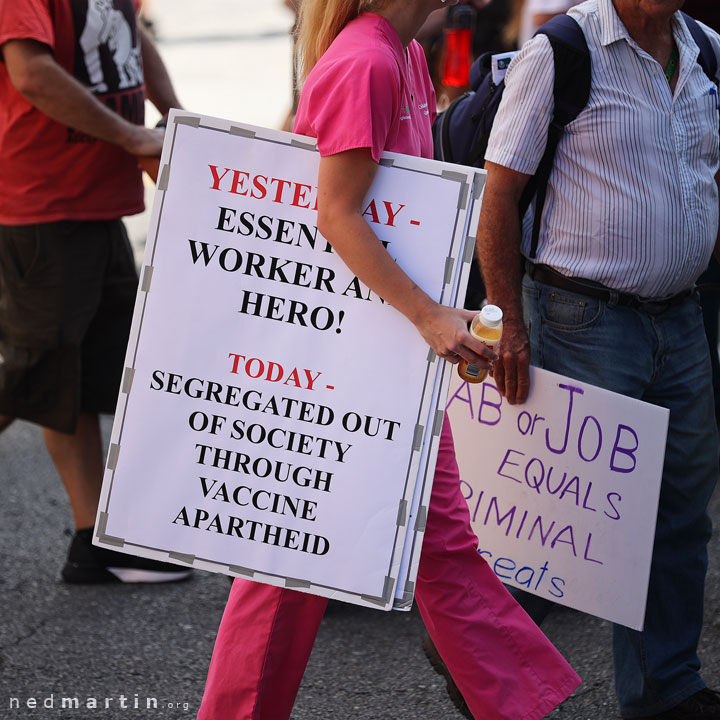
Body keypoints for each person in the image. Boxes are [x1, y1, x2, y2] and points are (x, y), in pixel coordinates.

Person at [195, 1, 581, 719]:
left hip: (370, 354)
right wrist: (429, 315)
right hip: (347, 363)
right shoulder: (371, 59)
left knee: (425, 544)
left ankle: (519, 704)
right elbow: (337, 213)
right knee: (304, 560)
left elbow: (392, 213)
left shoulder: (395, 53)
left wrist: (434, 313)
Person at [476, 0, 720, 717]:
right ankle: (476, 640)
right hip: (582, 315)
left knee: (678, 508)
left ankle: (667, 689)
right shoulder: (561, 51)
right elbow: (500, 195)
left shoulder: (706, 48)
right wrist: (505, 325)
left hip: (680, 315)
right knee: (578, 523)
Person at [0, 0, 191, 584]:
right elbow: (29, 71)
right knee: (32, 374)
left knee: (75, 375)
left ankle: (96, 542)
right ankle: (98, 540)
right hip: (43, 205)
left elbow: (130, 39)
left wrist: (177, 118)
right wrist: (131, 135)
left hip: (98, 199)